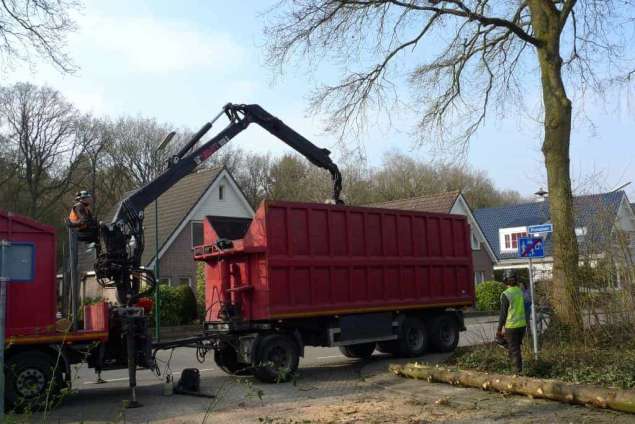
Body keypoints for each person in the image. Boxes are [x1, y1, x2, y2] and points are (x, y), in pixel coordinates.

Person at [496, 270, 527, 373]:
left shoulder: (506, 294)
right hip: (522, 326)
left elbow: (503, 314)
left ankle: (517, 372)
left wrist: (499, 329)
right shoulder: (519, 291)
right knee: (514, 348)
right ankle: (515, 368)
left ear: (505, 280)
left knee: (514, 350)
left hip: (511, 327)